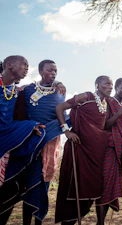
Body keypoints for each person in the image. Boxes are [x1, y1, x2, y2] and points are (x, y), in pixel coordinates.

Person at [55, 76, 113, 224]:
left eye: (111, 84)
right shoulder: (86, 96)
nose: (110, 87)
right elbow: (60, 108)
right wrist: (66, 131)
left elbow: (102, 127)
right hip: (78, 148)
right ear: (97, 85)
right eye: (107, 84)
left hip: (94, 153)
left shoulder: (105, 103)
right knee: (74, 187)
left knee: (90, 188)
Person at [17, 59, 66, 225]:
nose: (53, 74)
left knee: (43, 184)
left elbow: (60, 116)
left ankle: (38, 222)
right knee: (30, 183)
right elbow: (20, 114)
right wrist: (31, 127)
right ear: (40, 71)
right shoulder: (28, 90)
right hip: (32, 143)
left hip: (51, 144)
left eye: (55, 71)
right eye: (50, 70)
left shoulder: (60, 91)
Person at [0, 56, 46, 224]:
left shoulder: (15, 92)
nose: (27, 68)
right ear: (9, 66)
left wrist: (30, 126)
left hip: (5, 145)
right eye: (24, 64)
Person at [95, 78, 122, 225]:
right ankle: (100, 222)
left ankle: (103, 221)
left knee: (112, 188)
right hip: (110, 149)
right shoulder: (109, 102)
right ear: (116, 88)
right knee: (105, 186)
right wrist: (119, 112)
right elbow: (105, 125)